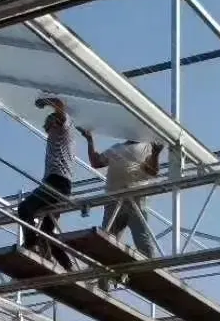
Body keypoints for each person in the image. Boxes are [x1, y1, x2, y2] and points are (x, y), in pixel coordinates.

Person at [79, 128, 163, 257]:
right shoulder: (116, 147)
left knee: (142, 241)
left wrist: (156, 154)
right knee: (107, 240)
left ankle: (151, 266)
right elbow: (96, 162)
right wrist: (90, 140)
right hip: (113, 200)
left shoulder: (147, 146)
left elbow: (152, 171)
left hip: (135, 199)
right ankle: (104, 272)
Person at [15, 96, 76, 268]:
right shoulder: (57, 137)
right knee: (47, 232)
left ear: (55, 122)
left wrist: (47, 102)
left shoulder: (65, 130)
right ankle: (68, 266)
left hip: (57, 182)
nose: (47, 130)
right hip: (60, 184)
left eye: (48, 125)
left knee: (25, 208)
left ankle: (31, 243)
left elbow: (61, 108)